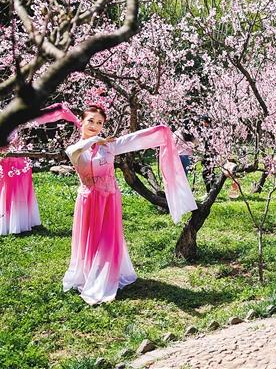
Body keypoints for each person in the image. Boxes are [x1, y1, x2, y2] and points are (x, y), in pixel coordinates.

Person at [63, 105, 197, 304]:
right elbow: (73, 151)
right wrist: (93, 140)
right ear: (81, 122)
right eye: (90, 120)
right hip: (89, 200)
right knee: (91, 238)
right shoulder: (76, 148)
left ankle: (108, 274)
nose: (95, 125)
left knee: (108, 237)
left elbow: (134, 140)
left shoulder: (108, 145)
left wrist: (159, 132)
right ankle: (89, 274)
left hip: (109, 198)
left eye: (99, 123)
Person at [0, 103, 80, 236]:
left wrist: (64, 113)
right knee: (3, 189)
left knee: (17, 190)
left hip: (18, 162)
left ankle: (19, 221)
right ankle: (3, 222)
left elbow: (41, 116)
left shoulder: (14, 120)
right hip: (2, 163)